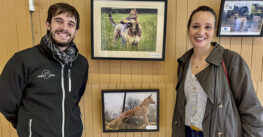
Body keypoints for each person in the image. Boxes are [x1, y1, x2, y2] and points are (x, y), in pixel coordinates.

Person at [172, 6, 263, 137]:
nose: (201, 32)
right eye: (195, 26)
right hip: (187, 132)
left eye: (208, 27)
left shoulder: (230, 60)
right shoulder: (184, 62)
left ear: (214, 31)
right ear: (188, 29)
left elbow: (251, 110)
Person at [0, 3, 89, 137]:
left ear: (75, 30)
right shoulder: (23, 59)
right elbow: (5, 102)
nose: (65, 28)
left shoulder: (81, 63)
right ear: (48, 24)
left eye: (71, 24)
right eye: (59, 21)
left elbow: (75, 98)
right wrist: (27, 123)